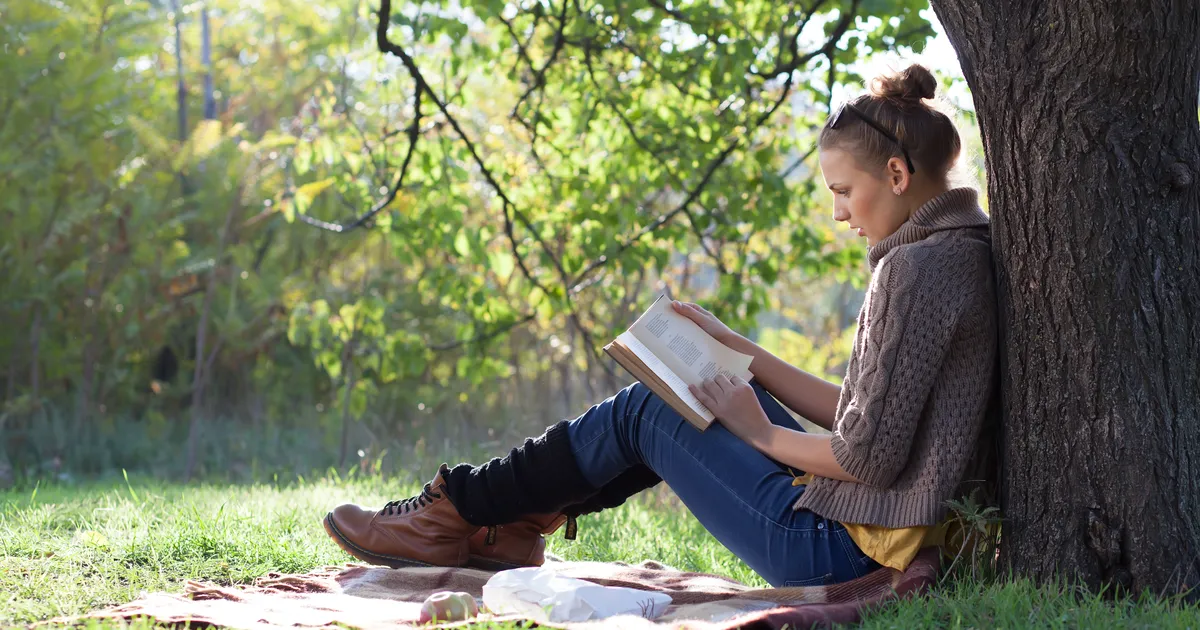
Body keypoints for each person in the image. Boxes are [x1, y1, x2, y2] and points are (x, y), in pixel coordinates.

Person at [323, 63, 998, 588]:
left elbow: (864, 456)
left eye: (843, 193)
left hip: (842, 550)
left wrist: (756, 428)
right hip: (878, 534)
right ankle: (495, 523)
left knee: (650, 410)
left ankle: (463, 511)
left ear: (898, 173)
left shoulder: (914, 271)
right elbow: (866, 417)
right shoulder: (958, 253)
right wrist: (743, 354)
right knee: (685, 394)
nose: (839, 215)